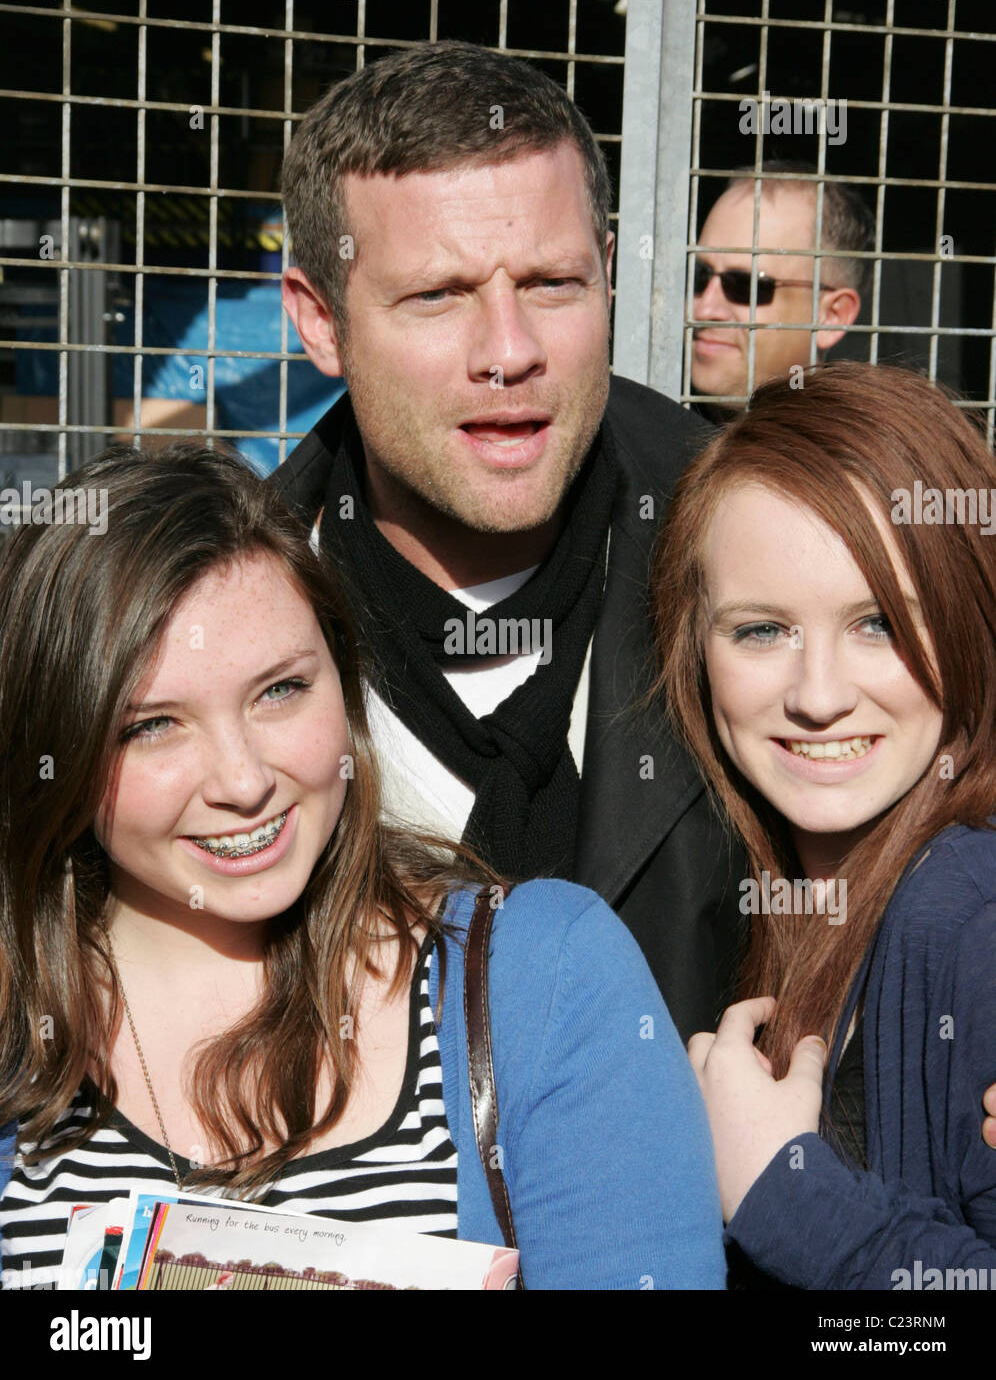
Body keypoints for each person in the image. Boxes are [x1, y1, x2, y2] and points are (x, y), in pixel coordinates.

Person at [0, 442, 725, 1291]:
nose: (244, 780)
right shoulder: (20, 1016)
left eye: (280, 691)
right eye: (152, 725)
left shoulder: (549, 977)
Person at [271, 40, 744, 1045]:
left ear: (608, 274)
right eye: (437, 296)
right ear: (320, 321)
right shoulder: (203, 633)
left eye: (552, 284)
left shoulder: (764, 564)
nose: (508, 353)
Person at [650, 361, 996, 1287]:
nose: (819, 696)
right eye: (761, 630)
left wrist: (784, 1190)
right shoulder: (782, 899)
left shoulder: (969, 914)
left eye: (878, 623)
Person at [690, 164, 872, 416]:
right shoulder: (636, 428)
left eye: (747, 286)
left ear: (832, 316)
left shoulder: (856, 453)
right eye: (700, 276)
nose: (704, 308)